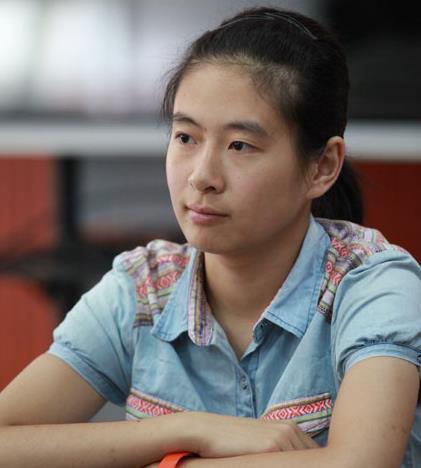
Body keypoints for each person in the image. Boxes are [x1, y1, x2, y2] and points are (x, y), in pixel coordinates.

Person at [1, 6, 420, 468]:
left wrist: (171, 463)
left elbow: (360, 463)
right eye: (186, 137)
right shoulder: (145, 290)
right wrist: (186, 429)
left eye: (240, 145)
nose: (202, 176)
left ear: (322, 166)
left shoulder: (373, 284)